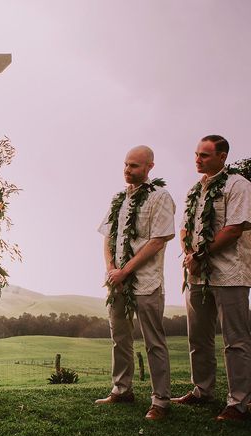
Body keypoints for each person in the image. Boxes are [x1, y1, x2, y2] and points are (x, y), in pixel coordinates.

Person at [172, 135, 251, 421]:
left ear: (222, 157)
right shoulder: (195, 189)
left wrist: (201, 254)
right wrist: (190, 255)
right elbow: (184, 229)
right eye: (196, 154)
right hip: (197, 276)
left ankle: (239, 403)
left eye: (204, 155)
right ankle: (202, 390)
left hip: (231, 274)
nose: (197, 159)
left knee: (236, 340)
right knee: (198, 337)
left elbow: (234, 229)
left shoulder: (238, 185)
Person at [95, 145, 175, 420]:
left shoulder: (160, 196)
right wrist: (110, 268)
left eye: (135, 166)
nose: (128, 170)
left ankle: (161, 401)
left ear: (149, 167)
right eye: (126, 165)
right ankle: (122, 389)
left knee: (154, 340)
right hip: (117, 281)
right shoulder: (118, 198)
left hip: (146, 281)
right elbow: (108, 235)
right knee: (119, 337)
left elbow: (157, 241)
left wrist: (125, 270)